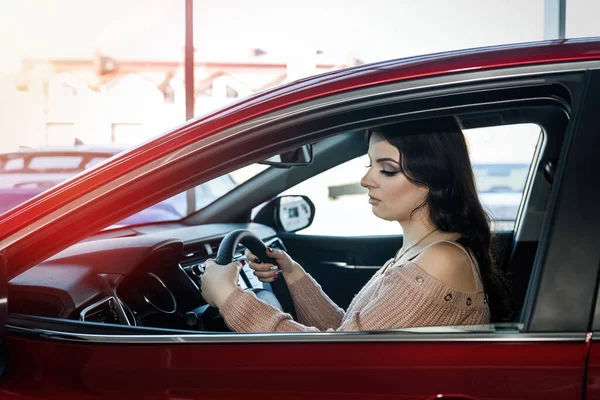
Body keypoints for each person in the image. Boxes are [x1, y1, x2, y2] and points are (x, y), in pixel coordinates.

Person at [200, 117, 514, 332]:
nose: (366, 180)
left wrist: (228, 296)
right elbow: (349, 330)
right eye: (370, 166)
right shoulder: (419, 250)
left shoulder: (442, 260)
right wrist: (293, 273)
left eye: (387, 170)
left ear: (434, 178)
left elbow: (328, 361)